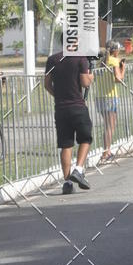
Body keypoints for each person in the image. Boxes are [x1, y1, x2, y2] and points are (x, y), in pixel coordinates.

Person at [44, 38, 94, 194]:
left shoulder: (52, 59)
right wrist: (91, 77)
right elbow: (85, 82)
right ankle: (78, 169)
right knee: (85, 138)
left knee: (66, 145)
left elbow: (47, 84)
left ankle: (67, 183)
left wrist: (58, 96)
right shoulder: (80, 58)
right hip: (77, 105)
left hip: (60, 108)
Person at [97, 42, 125, 164]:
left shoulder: (100, 62)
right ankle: (105, 153)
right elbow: (118, 79)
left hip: (99, 97)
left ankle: (107, 151)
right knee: (110, 126)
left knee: (107, 125)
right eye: (119, 49)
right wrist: (123, 69)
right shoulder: (114, 61)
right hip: (110, 97)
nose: (119, 51)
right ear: (115, 51)